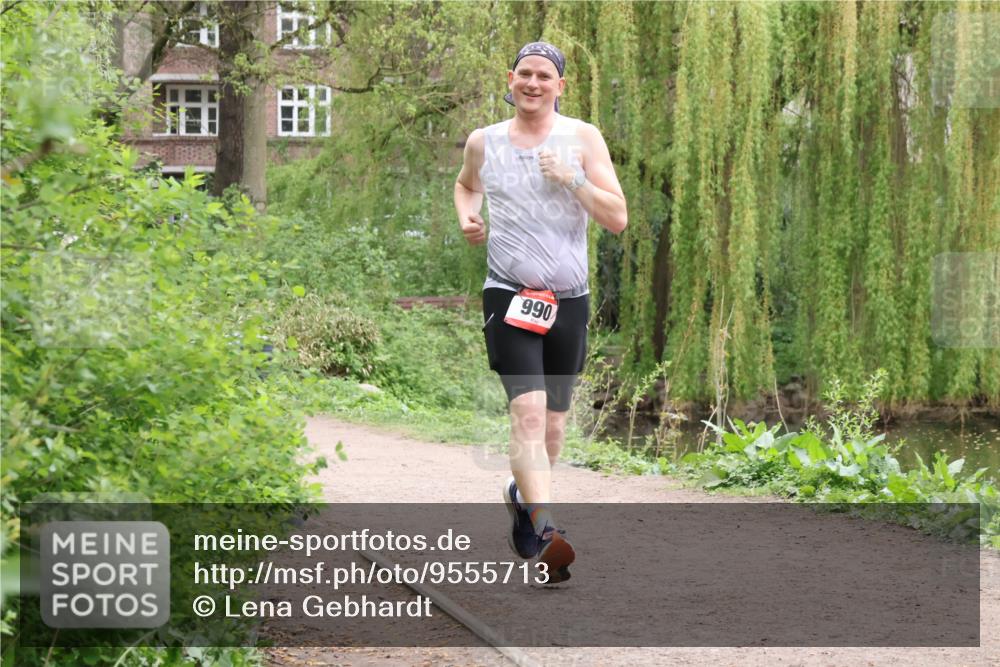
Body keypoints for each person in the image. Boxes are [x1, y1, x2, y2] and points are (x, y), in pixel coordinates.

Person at [454, 41, 627, 583]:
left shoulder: (582, 138)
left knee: (552, 429)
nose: (533, 83)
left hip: (566, 300)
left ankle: (521, 496)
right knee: (526, 415)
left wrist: (573, 179)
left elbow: (618, 217)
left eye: (544, 76)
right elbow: (465, 186)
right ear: (510, 79)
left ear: (560, 86)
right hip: (508, 295)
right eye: (524, 74)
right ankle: (548, 528)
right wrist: (469, 217)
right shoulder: (485, 142)